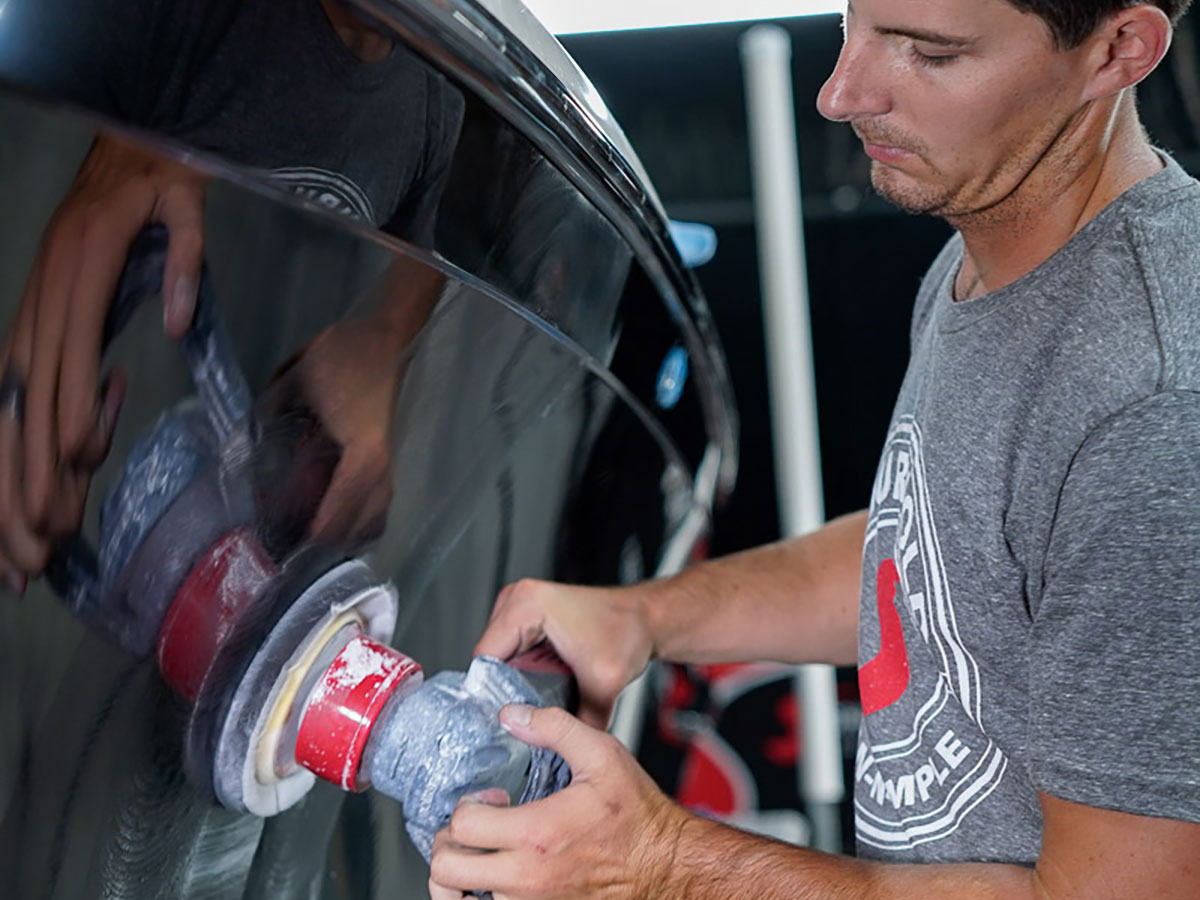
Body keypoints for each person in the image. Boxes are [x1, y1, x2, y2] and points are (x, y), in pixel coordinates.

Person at [428, 1, 1200, 897]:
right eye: (854, 23)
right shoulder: (1002, 250)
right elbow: (933, 560)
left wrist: (661, 862)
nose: (841, 93)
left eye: (928, 52)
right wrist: (646, 615)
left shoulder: (1153, 408)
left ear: (1119, 51)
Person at [0, 0, 464, 590]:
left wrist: (385, 334)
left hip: (221, 564)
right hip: (80, 501)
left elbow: (435, 256)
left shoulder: (435, 96)